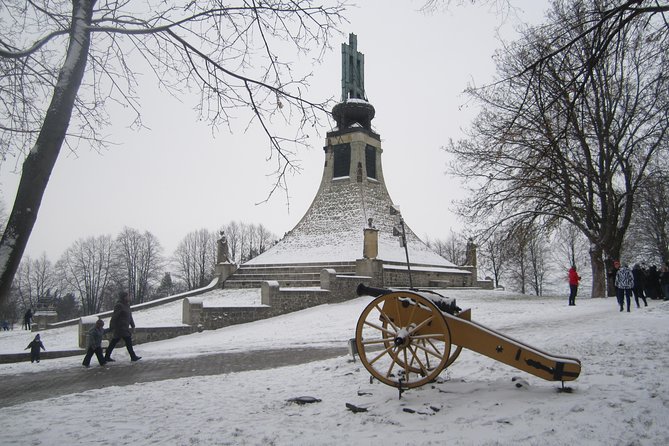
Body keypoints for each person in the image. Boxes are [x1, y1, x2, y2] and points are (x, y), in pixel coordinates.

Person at [104, 291, 141, 363]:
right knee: (127, 341)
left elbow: (130, 316)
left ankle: (107, 356)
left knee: (114, 342)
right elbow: (114, 316)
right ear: (124, 297)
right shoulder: (119, 305)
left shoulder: (127, 305)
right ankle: (133, 357)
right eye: (128, 296)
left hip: (125, 327)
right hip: (120, 328)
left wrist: (133, 325)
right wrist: (112, 326)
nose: (129, 297)